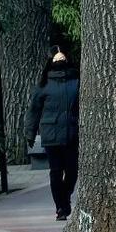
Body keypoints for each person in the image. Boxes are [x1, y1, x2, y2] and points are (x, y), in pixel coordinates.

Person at [25, 48, 80, 222]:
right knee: (56, 172)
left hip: (72, 134)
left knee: (72, 171)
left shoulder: (76, 82)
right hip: (51, 136)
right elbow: (34, 111)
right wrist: (30, 133)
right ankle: (61, 207)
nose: (60, 61)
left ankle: (65, 198)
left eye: (62, 57)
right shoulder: (44, 85)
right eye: (57, 59)